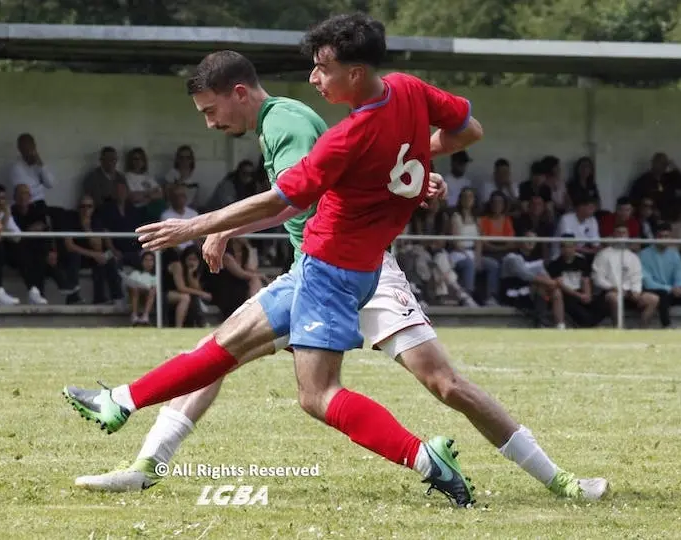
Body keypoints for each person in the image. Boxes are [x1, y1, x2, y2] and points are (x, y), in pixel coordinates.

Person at [64, 23, 605, 506]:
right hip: (328, 265)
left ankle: (535, 475)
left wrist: (200, 225)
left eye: (322, 69)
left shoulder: (309, 127)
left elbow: (292, 198)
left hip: (339, 268)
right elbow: (464, 132)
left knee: (402, 387)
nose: (315, 79)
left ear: (355, 70)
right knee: (221, 350)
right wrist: (411, 169)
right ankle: (134, 433)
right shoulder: (405, 92)